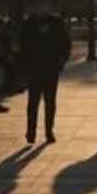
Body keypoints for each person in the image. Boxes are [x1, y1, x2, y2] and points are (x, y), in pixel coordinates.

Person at [20, 11, 71, 144]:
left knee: (50, 102)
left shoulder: (56, 23)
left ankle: (49, 131)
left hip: (50, 68)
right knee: (33, 102)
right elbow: (23, 47)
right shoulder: (29, 24)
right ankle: (31, 131)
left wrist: (62, 60)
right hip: (34, 68)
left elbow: (65, 43)